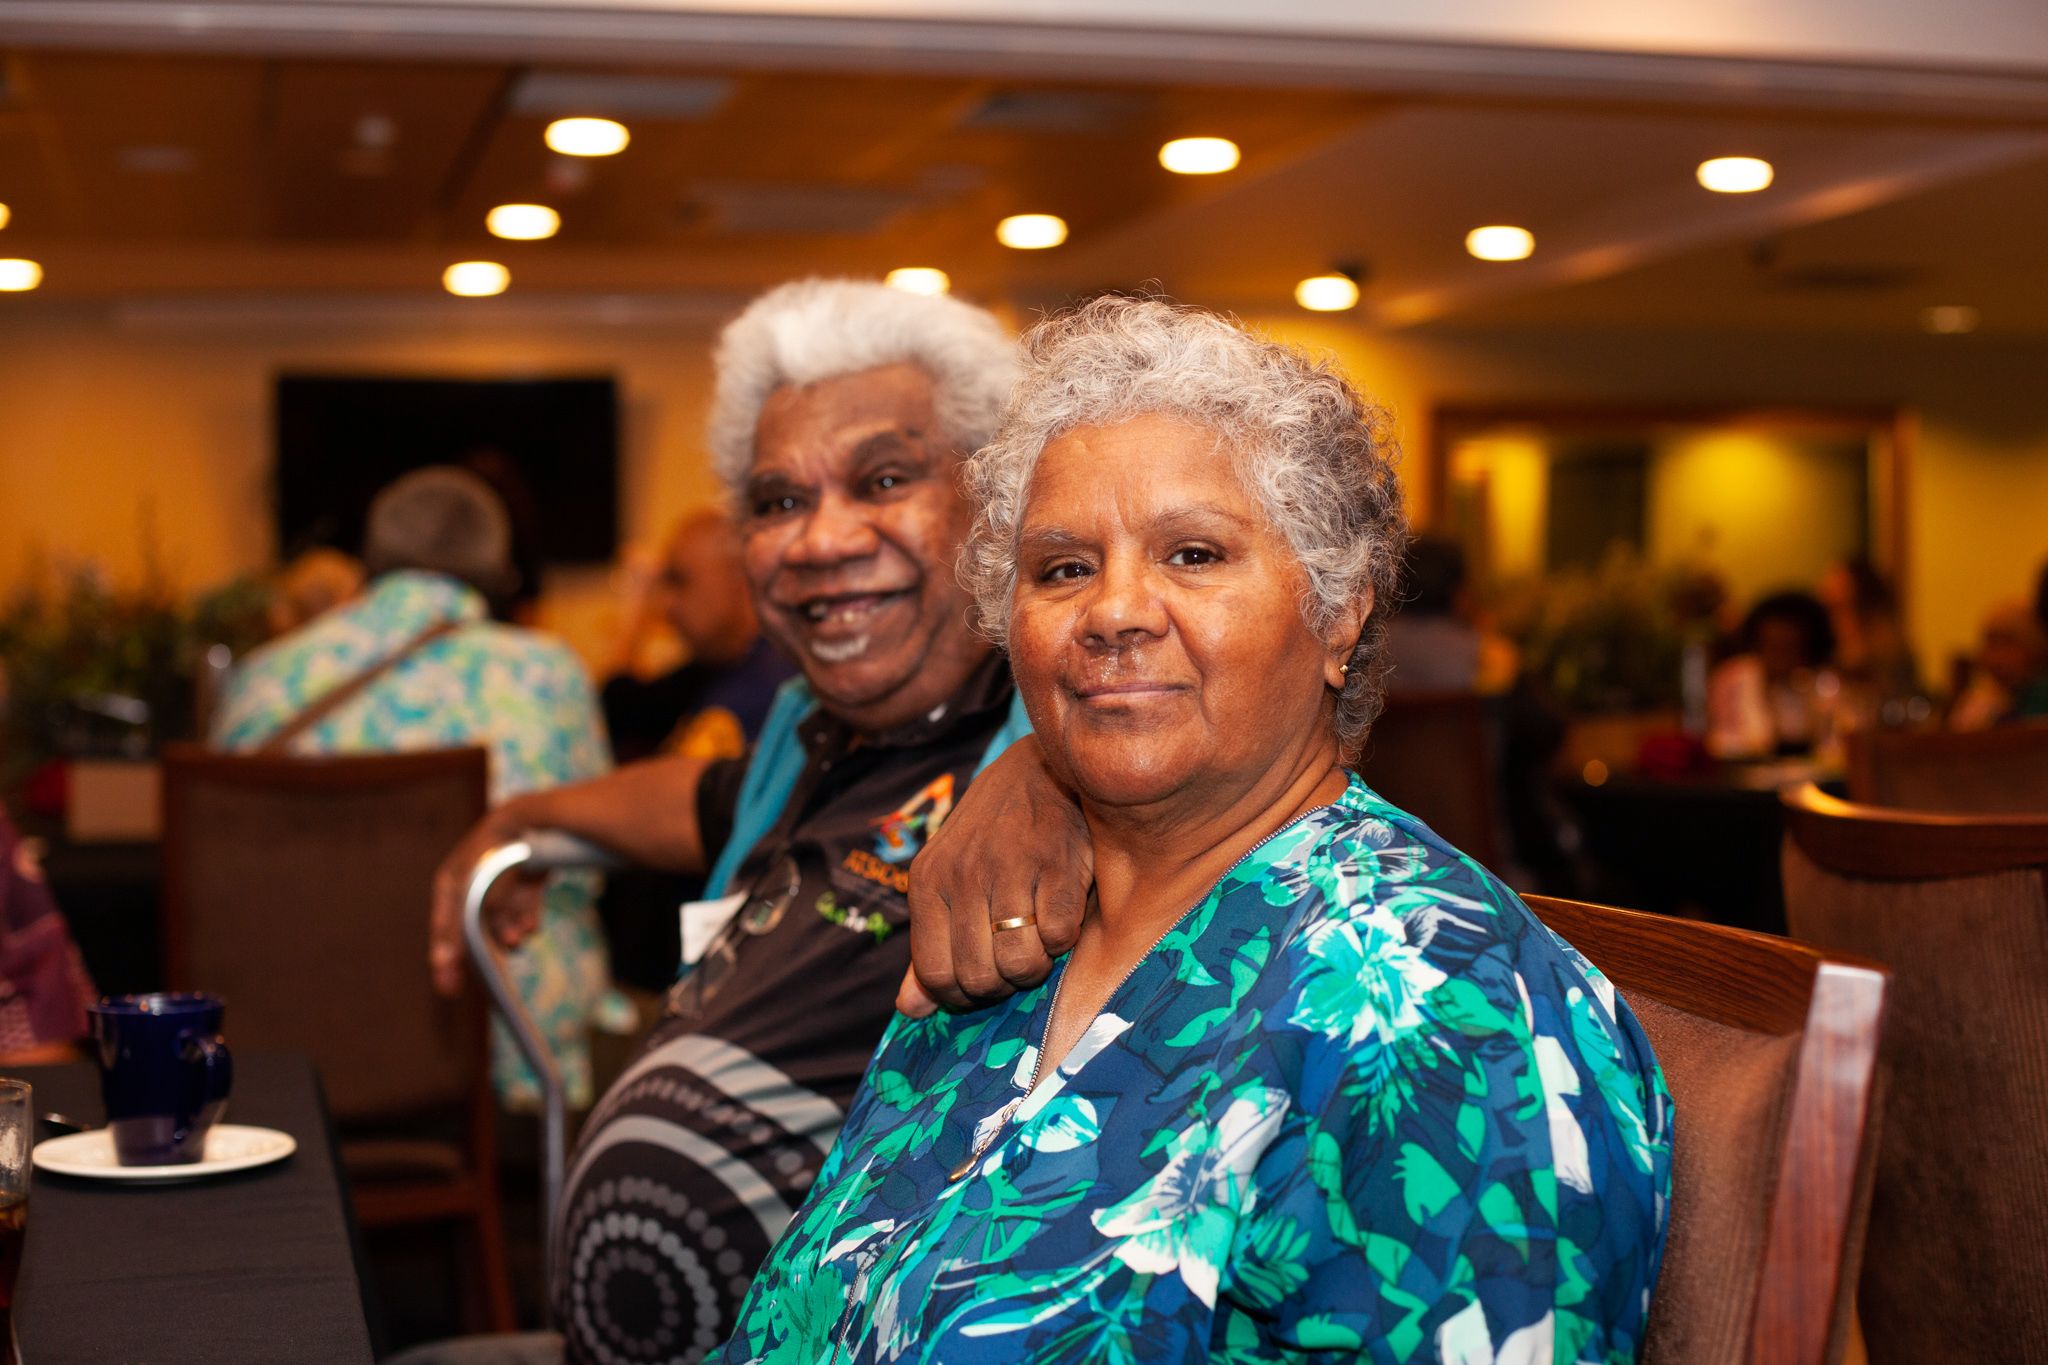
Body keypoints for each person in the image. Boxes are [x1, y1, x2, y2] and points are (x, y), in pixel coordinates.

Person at [712, 298, 1673, 1362]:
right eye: (1062, 568)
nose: (1113, 611)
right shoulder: (1003, 928)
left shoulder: (1443, 1009)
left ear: (1338, 610)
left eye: (1194, 554)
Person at [409, 279, 1029, 1365]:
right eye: (778, 500)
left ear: (994, 502)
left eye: (883, 479)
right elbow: (696, 800)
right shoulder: (809, 729)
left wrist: (1054, 777)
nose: (819, 539)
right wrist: (525, 816)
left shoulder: (1048, 740)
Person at [212, 467, 616, 1110]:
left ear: (368, 563)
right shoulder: (546, 673)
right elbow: (588, 868)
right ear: (499, 575)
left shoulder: (261, 680)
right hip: (500, 1052)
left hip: (284, 1045)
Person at [600, 509, 795, 766]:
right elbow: (615, 711)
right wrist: (636, 613)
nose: (667, 605)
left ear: (739, 575)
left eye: (680, 581)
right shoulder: (709, 669)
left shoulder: (776, 683)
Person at [1705, 589, 1838, 759]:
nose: (1781, 657)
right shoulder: (1732, 678)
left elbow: (1830, 741)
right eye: (1773, 646)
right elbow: (1719, 740)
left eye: (1789, 648)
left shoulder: (1819, 683)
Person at [1949, 600, 2048, 731]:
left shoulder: (2041, 695)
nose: (1995, 659)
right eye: (1991, 645)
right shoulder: (1981, 699)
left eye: (2006, 644)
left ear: (2034, 648)